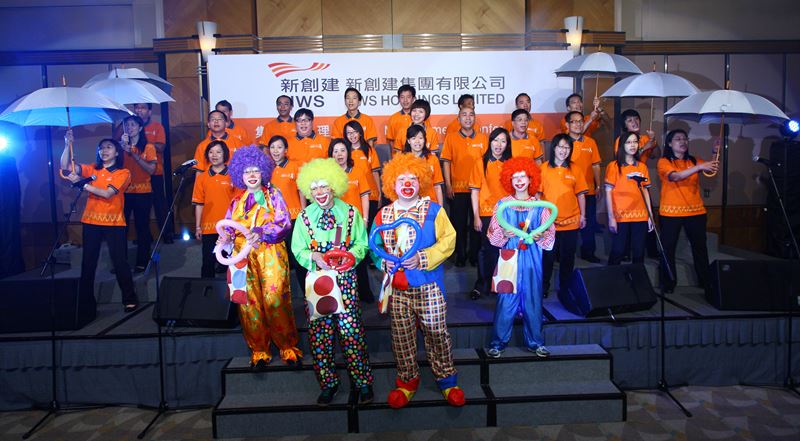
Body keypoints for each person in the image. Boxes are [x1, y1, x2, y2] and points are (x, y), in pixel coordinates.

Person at [370, 153, 465, 409]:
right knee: (401, 337)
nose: (408, 183)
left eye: (413, 178)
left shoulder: (435, 210)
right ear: (392, 183)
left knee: (436, 332)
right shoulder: (383, 215)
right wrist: (382, 263)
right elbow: (374, 247)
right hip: (397, 289)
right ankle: (407, 381)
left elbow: (449, 240)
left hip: (428, 285)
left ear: (421, 181)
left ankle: (447, 379)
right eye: (402, 179)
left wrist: (423, 257)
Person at [291, 158, 374, 406]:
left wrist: (351, 257)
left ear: (334, 187)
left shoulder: (350, 212)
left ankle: (362, 382)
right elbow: (298, 249)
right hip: (318, 282)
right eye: (314, 187)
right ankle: (328, 384)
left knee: (352, 333)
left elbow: (362, 244)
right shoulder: (304, 216)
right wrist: (313, 256)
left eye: (324, 186)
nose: (319, 192)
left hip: (346, 280)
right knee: (320, 335)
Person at [218, 146, 302, 369]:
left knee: (275, 299)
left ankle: (287, 347)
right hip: (241, 258)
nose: (252, 175)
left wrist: (262, 232)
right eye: (247, 172)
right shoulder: (236, 202)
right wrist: (224, 240)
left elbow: (284, 224)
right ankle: (259, 351)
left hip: (270, 253)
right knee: (248, 304)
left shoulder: (273, 195)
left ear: (263, 172)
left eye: (255, 170)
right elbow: (228, 229)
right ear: (240, 175)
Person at [485, 157, 555, 358]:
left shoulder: (540, 205)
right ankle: (497, 344)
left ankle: (536, 342)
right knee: (505, 299)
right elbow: (492, 233)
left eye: (522, 176)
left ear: (530, 177)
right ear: (509, 180)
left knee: (533, 298)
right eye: (514, 177)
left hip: (532, 256)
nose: (518, 181)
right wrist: (503, 235)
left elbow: (550, 234)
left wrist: (541, 235)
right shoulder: (502, 204)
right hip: (509, 255)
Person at [61, 134, 139, 312]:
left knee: (119, 261)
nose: (104, 150)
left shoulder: (123, 173)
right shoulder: (92, 169)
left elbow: (107, 194)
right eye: (102, 147)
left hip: (114, 223)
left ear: (117, 153)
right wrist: (67, 145)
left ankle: (129, 298)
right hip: (91, 221)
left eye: (108, 147)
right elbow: (65, 166)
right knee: (88, 262)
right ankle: (86, 302)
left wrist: (82, 184)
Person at [657, 129, 718, 294]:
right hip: (671, 213)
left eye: (685, 139)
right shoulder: (664, 161)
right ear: (670, 143)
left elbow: (711, 171)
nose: (682, 142)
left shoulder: (693, 160)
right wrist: (698, 167)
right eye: (678, 139)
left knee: (700, 248)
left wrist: (715, 153)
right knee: (668, 248)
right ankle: (668, 283)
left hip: (696, 212)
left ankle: (705, 281)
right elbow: (675, 177)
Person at [540, 134, 587, 298]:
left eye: (567, 147)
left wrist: (583, 215)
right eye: (560, 147)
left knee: (568, 258)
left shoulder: (576, 169)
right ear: (554, 148)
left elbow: (581, 194)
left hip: (571, 221)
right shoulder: (544, 168)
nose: (563, 150)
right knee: (547, 257)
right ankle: (543, 287)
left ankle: (565, 289)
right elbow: (539, 195)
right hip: (549, 223)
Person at [328, 138, 375, 303]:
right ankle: (340, 296)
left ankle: (365, 293)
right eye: (335, 151)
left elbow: (365, 196)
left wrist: (365, 218)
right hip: (335, 226)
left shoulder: (357, 171)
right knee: (337, 258)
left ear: (348, 152)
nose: (339, 154)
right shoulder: (327, 175)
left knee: (358, 257)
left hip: (355, 222)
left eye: (342, 150)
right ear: (331, 154)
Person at [469, 127, 513, 300]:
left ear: (507, 144)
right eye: (496, 140)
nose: (499, 145)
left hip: (507, 214)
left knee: (505, 250)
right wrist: (476, 216)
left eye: (503, 141)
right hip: (487, 214)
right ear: (490, 142)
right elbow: (475, 191)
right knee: (486, 250)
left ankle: (500, 285)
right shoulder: (480, 162)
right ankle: (481, 285)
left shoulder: (511, 164)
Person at [441, 106, 488, 267]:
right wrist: (448, 184)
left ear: (475, 118)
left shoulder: (483, 138)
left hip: (478, 190)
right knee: (458, 224)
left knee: (477, 224)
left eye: (471, 115)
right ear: (459, 119)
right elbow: (446, 162)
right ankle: (460, 255)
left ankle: (474, 255)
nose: (468, 118)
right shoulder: (451, 137)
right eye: (464, 115)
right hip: (458, 189)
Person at [263, 135, 308, 293]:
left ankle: (307, 295)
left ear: (286, 150)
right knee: (279, 259)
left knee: (297, 258)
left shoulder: (294, 166)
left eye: (279, 147)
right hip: (273, 221)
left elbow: (301, 191)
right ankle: (282, 295)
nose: (276, 151)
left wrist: (303, 212)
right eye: (273, 147)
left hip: (294, 218)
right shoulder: (265, 169)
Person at [605, 131, 654, 265]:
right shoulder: (614, 166)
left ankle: (637, 283)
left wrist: (650, 216)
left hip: (641, 215)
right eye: (628, 142)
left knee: (639, 252)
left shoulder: (642, 166)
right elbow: (608, 192)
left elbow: (645, 191)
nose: (632, 145)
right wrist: (611, 218)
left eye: (635, 142)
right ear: (622, 146)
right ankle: (612, 283)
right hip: (621, 216)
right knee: (618, 251)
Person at [192, 140, 235, 278]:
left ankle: (233, 296)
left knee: (231, 263)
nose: (214, 155)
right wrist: (198, 227)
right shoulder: (202, 177)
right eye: (211, 152)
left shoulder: (233, 175)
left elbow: (238, 203)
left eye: (218, 152)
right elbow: (199, 203)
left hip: (229, 227)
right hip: (209, 227)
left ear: (225, 154)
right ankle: (206, 294)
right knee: (208, 262)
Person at [119, 115, 156, 272]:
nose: (129, 128)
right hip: (123, 192)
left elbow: (151, 169)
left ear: (140, 128)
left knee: (142, 227)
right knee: (121, 228)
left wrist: (132, 153)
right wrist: (121, 149)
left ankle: (143, 261)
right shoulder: (119, 147)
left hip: (143, 192)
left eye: (133, 125)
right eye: (126, 125)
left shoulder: (148, 147)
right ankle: (121, 263)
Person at [566, 111, 602, 263]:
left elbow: (596, 165)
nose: (578, 124)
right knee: (567, 224)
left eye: (581, 121)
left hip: (588, 189)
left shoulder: (590, 142)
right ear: (567, 125)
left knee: (589, 222)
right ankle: (565, 254)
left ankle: (588, 252)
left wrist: (598, 184)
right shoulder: (564, 143)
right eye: (574, 121)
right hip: (568, 191)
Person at [133, 103, 173, 243]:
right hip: (136, 174)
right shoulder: (130, 128)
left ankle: (166, 234)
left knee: (159, 204)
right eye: (137, 107)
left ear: (149, 112)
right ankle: (144, 236)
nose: (139, 110)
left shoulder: (157, 127)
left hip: (154, 172)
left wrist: (144, 143)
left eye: (143, 108)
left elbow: (161, 147)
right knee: (140, 207)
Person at [344, 120, 382, 222]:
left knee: (369, 226)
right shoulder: (344, 152)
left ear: (360, 132)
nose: (352, 135)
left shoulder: (369, 150)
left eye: (355, 132)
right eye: (349, 133)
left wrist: (379, 193)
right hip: (352, 197)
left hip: (370, 195)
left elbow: (375, 173)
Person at [402, 124, 444, 206]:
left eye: (420, 138)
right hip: (409, 205)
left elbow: (437, 187)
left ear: (425, 140)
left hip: (430, 204)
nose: (417, 141)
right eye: (414, 138)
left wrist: (440, 208)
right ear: (408, 141)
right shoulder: (402, 160)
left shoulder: (433, 159)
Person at [386, 84, 417, 154]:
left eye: (408, 97)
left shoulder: (420, 117)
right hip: (399, 158)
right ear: (399, 99)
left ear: (413, 98)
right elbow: (391, 141)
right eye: (402, 97)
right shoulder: (393, 118)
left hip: (417, 158)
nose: (405, 100)